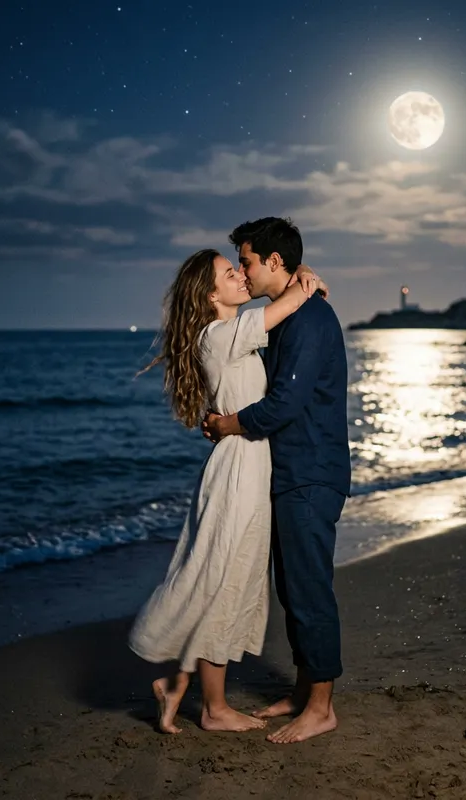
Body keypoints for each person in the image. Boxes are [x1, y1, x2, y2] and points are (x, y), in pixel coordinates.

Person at [129, 247, 326, 734]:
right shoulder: (219, 335)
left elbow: (282, 303)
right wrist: (305, 280)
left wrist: (302, 276)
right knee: (222, 580)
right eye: (229, 273)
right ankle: (214, 710)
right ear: (209, 293)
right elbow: (284, 305)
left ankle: (177, 685)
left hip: (248, 465)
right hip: (239, 471)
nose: (240, 276)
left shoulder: (229, 334)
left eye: (239, 268)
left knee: (229, 576)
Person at [202, 217, 351, 745]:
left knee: (310, 591)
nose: (241, 271)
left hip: (311, 474)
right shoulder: (287, 315)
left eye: (245, 261)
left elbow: (284, 404)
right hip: (290, 473)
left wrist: (228, 424)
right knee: (294, 590)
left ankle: (322, 708)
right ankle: (305, 689)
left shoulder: (310, 319)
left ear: (273, 262)